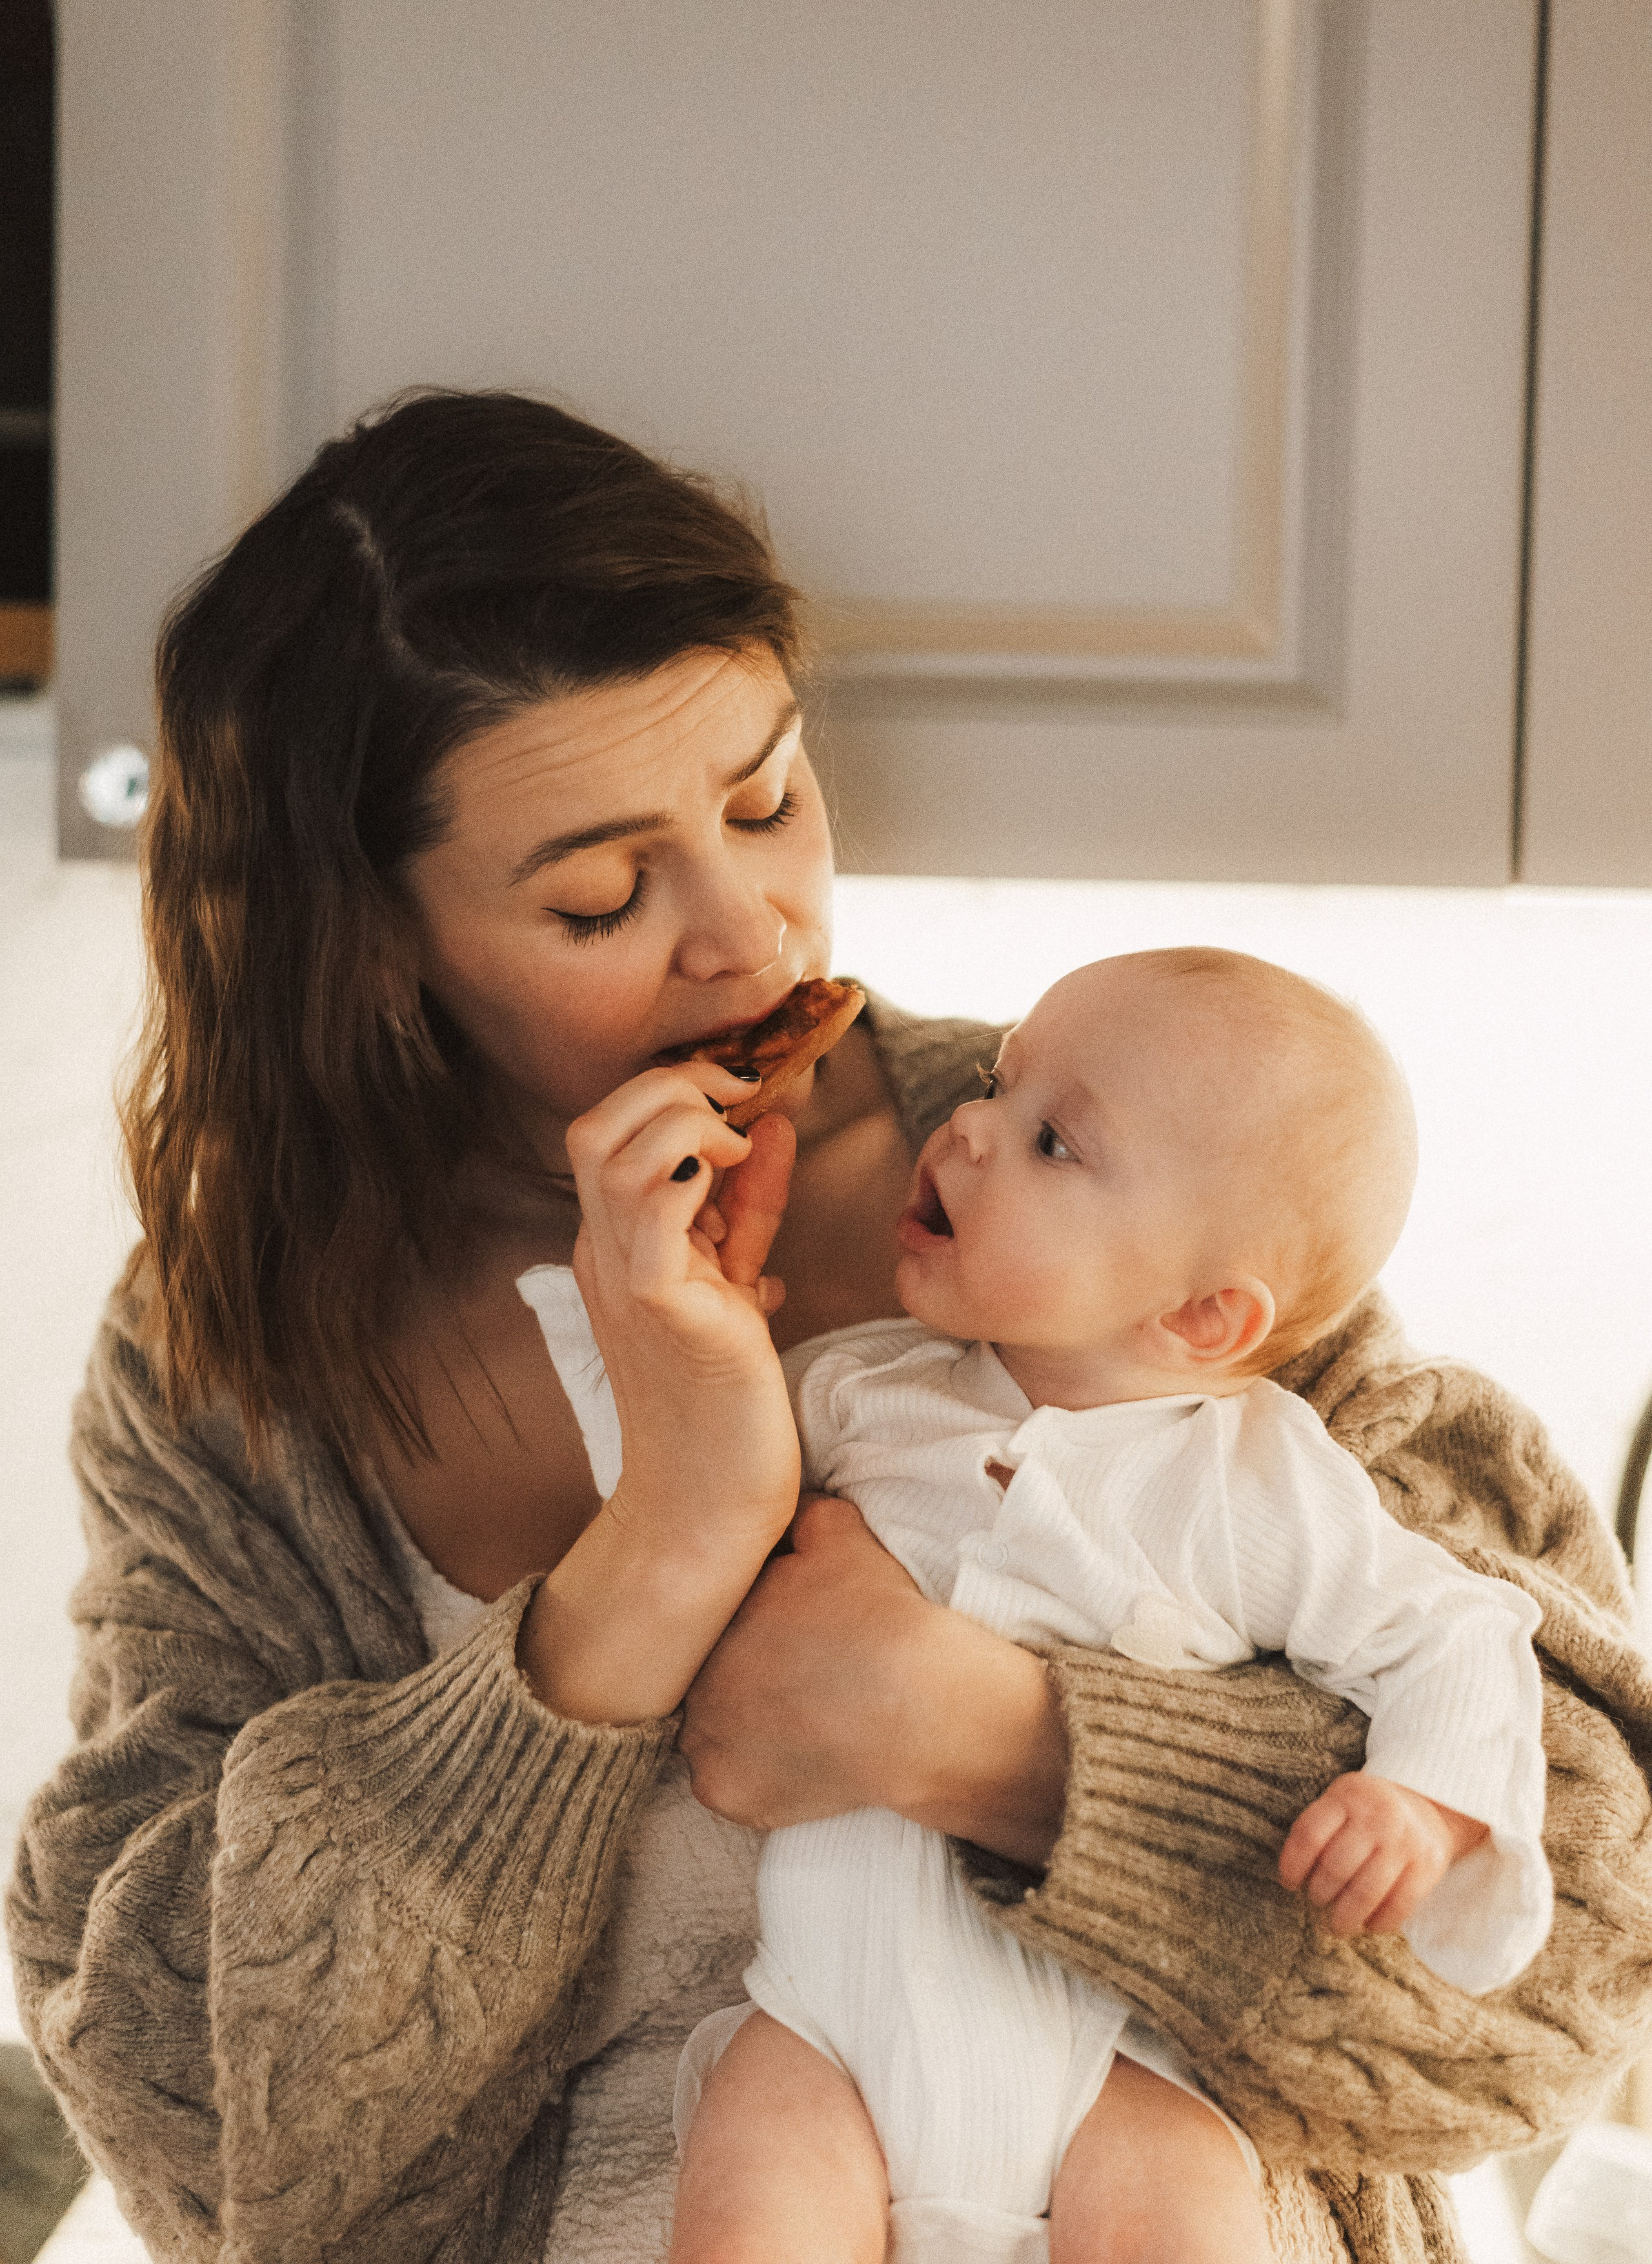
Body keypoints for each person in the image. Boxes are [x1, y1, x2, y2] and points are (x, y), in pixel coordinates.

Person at [5, 390, 1651, 2264]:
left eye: (771, 795)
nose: (754, 937)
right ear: (375, 947)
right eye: (605, 895)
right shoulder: (240, 1355)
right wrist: (653, 1567)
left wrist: (1008, 1745)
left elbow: (1577, 1949)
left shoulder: (1117, 1170)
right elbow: (187, 2115)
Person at [661, 949, 1549, 2264]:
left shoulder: (1249, 1477)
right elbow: (674, 1506)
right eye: (991, 1083)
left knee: (1187, 2213)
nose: (964, 1130)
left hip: (1110, 2064)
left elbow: (1453, 1631)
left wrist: (1418, 1795)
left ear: (1199, 1314)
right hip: (822, 2036)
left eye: (1050, 1140)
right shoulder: (854, 1392)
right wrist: (689, 1335)